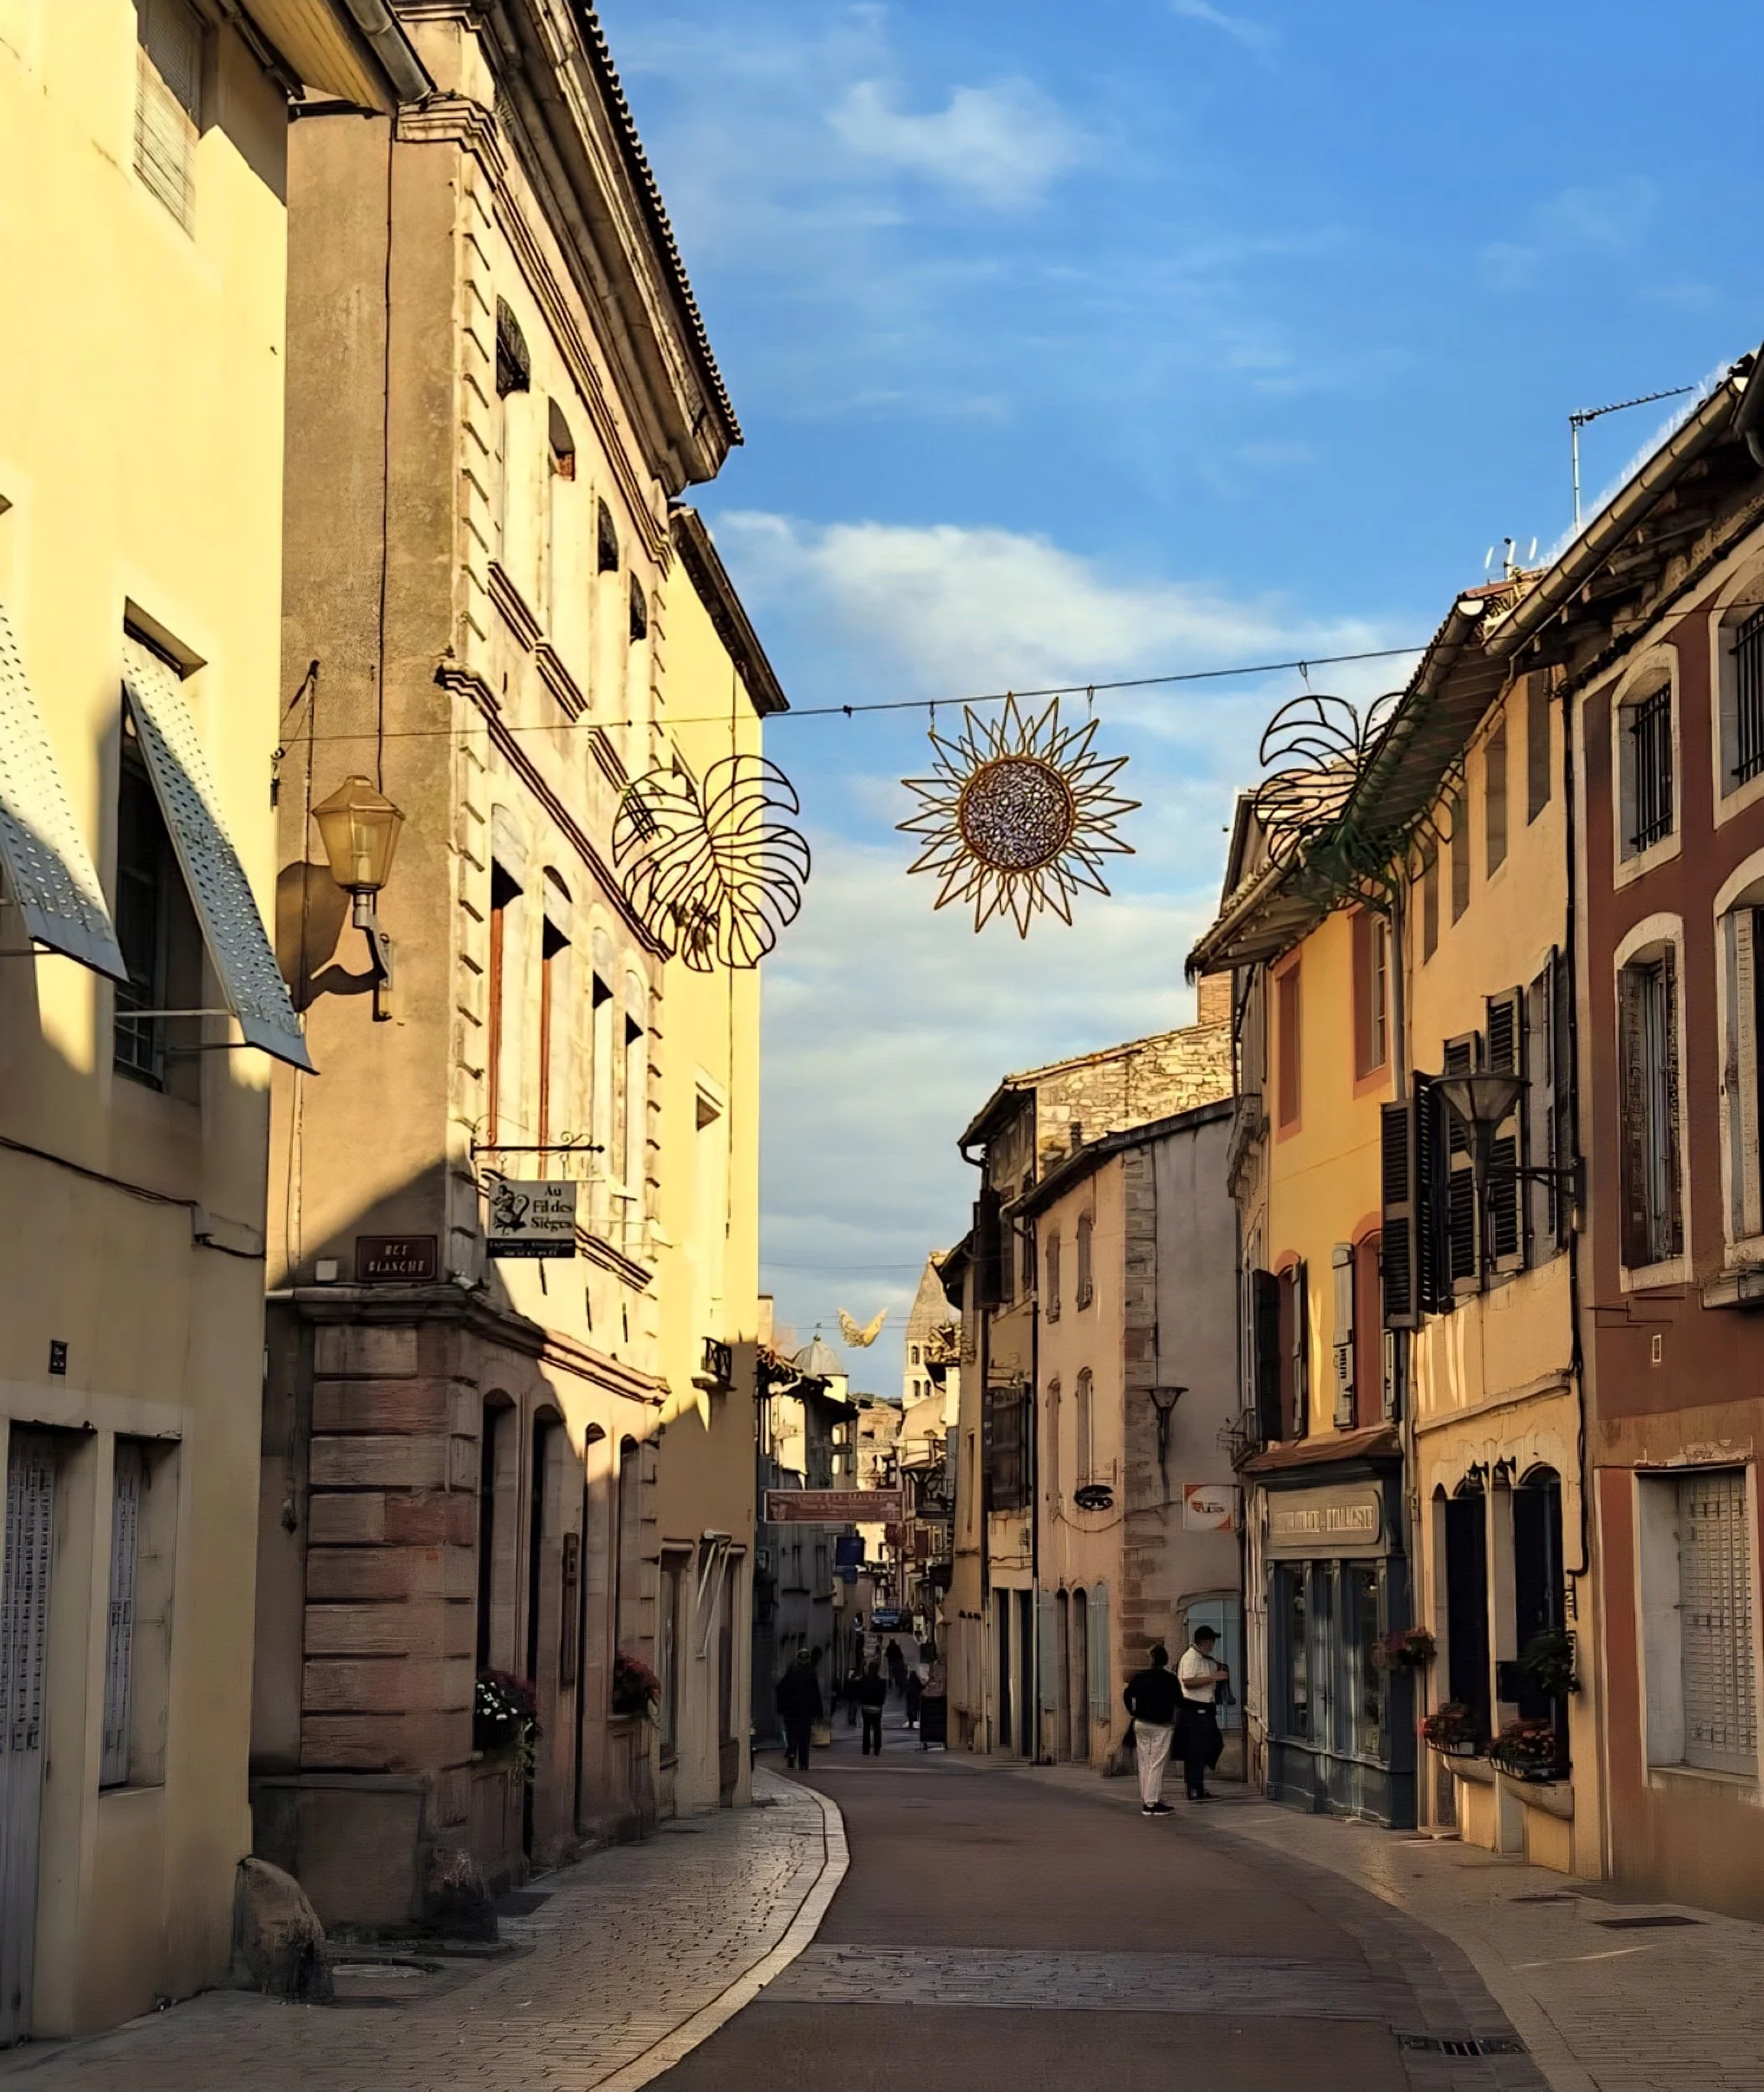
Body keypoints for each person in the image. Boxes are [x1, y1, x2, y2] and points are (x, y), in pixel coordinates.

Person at [1121, 1643, 1183, 1817]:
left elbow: (1127, 1695)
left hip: (1141, 1722)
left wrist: (1134, 1710)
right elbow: (1178, 1700)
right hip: (1161, 1725)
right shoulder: (1170, 1679)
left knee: (1144, 1761)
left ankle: (1147, 1797)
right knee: (1156, 1762)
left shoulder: (1140, 1678)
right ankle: (1151, 1803)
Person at [1177, 1625, 1229, 1801]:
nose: (1212, 1645)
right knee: (1198, 1749)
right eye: (1211, 1642)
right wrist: (1213, 1678)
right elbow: (1188, 1682)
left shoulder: (1204, 1658)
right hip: (1195, 1708)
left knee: (1208, 1746)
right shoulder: (1191, 1658)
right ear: (1204, 1642)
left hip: (1204, 1708)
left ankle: (1197, 1787)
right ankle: (1194, 1788)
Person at [776, 1650, 823, 1772]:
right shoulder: (811, 1673)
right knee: (804, 1737)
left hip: (791, 1710)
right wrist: (818, 1712)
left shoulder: (791, 1672)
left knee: (792, 1734)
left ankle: (792, 1754)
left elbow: (780, 1689)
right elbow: (815, 1694)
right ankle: (803, 1762)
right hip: (805, 1712)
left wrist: (781, 1707)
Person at [856, 1659, 888, 1756]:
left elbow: (860, 1694)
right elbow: (883, 1697)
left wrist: (862, 1703)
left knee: (866, 1729)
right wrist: (879, 1704)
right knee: (877, 1729)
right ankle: (877, 1749)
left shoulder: (864, 1681)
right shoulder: (881, 1683)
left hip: (866, 1709)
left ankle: (866, 1749)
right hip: (877, 1709)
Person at [903, 1665, 923, 1731]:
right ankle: (915, 1719)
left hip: (910, 1698)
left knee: (910, 1711)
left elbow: (905, 1689)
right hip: (916, 1698)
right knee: (916, 1709)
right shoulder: (917, 1681)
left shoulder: (909, 1682)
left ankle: (910, 1724)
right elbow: (922, 1687)